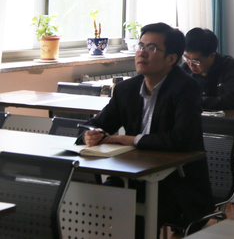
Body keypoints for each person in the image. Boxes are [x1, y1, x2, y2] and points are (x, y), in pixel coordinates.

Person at [83, 22, 213, 236]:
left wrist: (129, 139)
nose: (141, 53)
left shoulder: (186, 88)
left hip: (177, 183)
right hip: (133, 175)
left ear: (171, 59)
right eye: (141, 46)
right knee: (92, 198)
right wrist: (90, 134)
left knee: (133, 211)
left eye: (151, 48)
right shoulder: (126, 89)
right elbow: (97, 123)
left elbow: (180, 140)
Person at [182, 27, 234, 110]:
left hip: (226, 117)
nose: (191, 64)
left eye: (195, 61)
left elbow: (231, 101)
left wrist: (196, 102)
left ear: (211, 56)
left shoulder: (229, 66)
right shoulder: (184, 70)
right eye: (187, 59)